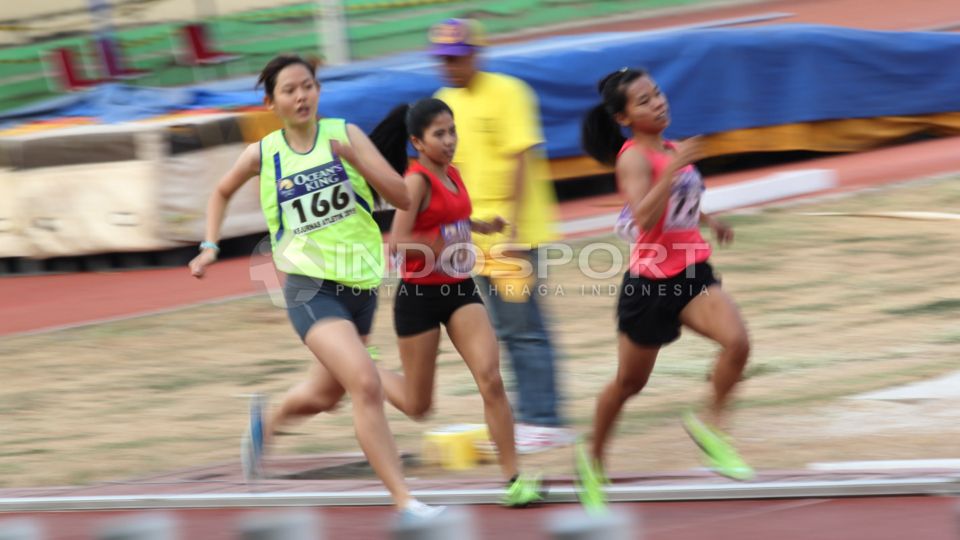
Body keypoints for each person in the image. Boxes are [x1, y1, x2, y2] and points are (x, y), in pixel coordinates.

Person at [187, 54, 443, 520]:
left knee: (328, 395)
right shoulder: (264, 154)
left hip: (361, 287)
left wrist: (355, 162)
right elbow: (221, 190)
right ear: (271, 102)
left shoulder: (345, 136)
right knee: (365, 383)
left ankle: (267, 422)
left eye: (308, 86)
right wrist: (209, 244)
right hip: (309, 288)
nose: (301, 95)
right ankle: (406, 502)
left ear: (318, 91)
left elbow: (404, 197)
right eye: (289, 90)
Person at [576, 67, 754, 509]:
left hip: (692, 271)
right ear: (624, 117)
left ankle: (711, 429)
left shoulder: (673, 149)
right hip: (651, 284)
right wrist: (672, 168)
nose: (658, 102)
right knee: (629, 383)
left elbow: (679, 208)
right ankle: (591, 458)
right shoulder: (634, 157)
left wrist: (710, 220)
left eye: (656, 93)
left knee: (737, 342)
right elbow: (644, 219)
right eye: (644, 100)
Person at [369, 97, 545, 507]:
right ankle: (365, 369)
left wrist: (479, 225)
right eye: (439, 134)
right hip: (419, 296)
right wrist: (440, 244)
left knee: (491, 377)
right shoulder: (415, 182)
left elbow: (451, 220)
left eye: (452, 131)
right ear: (417, 141)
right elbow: (397, 244)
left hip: (459, 289)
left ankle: (514, 479)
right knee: (418, 405)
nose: (449, 141)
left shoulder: (454, 175)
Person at [428, 18, 572, 452]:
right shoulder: (442, 101)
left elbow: (519, 159)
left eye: (457, 57)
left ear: (477, 53)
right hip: (473, 238)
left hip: (514, 235)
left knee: (523, 326)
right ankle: (532, 417)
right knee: (503, 329)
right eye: (443, 60)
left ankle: (543, 419)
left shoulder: (508, 92)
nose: (449, 66)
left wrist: (509, 228)